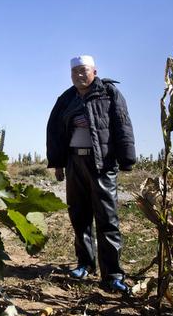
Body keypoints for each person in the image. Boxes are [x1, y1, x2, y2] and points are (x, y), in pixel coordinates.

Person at [46, 55, 136, 294]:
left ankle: (113, 275)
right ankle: (85, 264)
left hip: (102, 164)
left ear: (94, 71)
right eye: (75, 72)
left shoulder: (109, 93)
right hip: (74, 161)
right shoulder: (66, 99)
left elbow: (122, 124)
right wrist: (58, 163)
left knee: (107, 218)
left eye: (83, 71)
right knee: (79, 215)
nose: (79, 75)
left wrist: (127, 160)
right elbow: (55, 131)